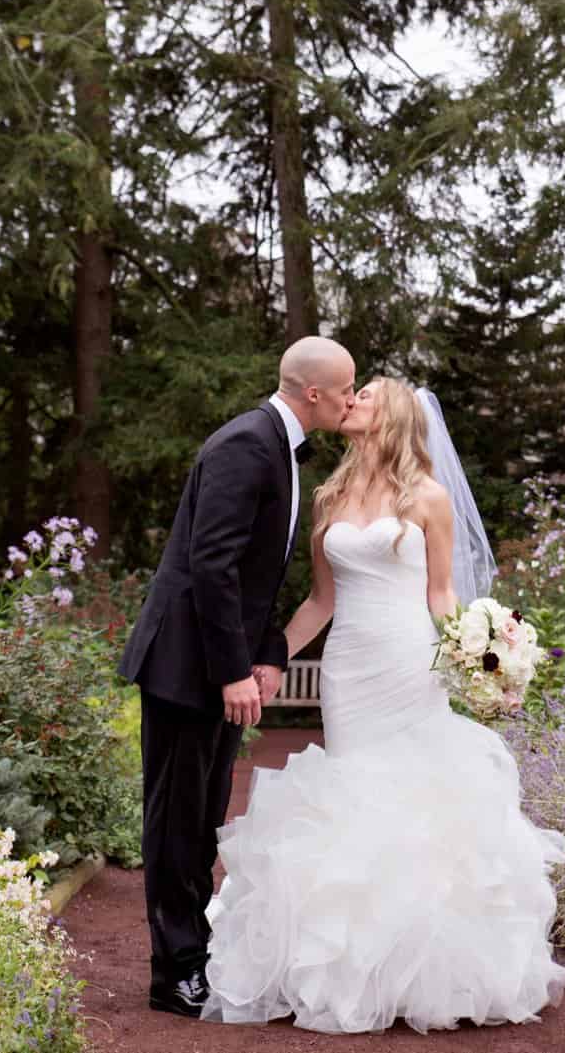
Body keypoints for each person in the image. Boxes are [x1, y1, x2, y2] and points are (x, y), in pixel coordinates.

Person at [202, 377, 565, 1035]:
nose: (353, 400)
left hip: (410, 661)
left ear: (396, 415)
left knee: (418, 795)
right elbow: (320, 601)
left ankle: (430, 972)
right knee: (355, 792)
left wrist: (481, 657)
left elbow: (440, 595)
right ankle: (350, 969)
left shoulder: (428, 498)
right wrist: (269, 661)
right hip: (349, 666)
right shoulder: (329, 497)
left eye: (367, 393)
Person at [118, 337, 356, 1018]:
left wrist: (266, 655)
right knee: (175, 821)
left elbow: (253, 580)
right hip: (184, 669)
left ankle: (193, 952)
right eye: (344, 388)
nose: (349, 398)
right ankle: (175, 973)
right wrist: (230, 673)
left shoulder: (276, 450)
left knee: (202, 815)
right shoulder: (246, 444)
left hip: (214, 667)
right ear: (313, 394)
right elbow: (211, 564)